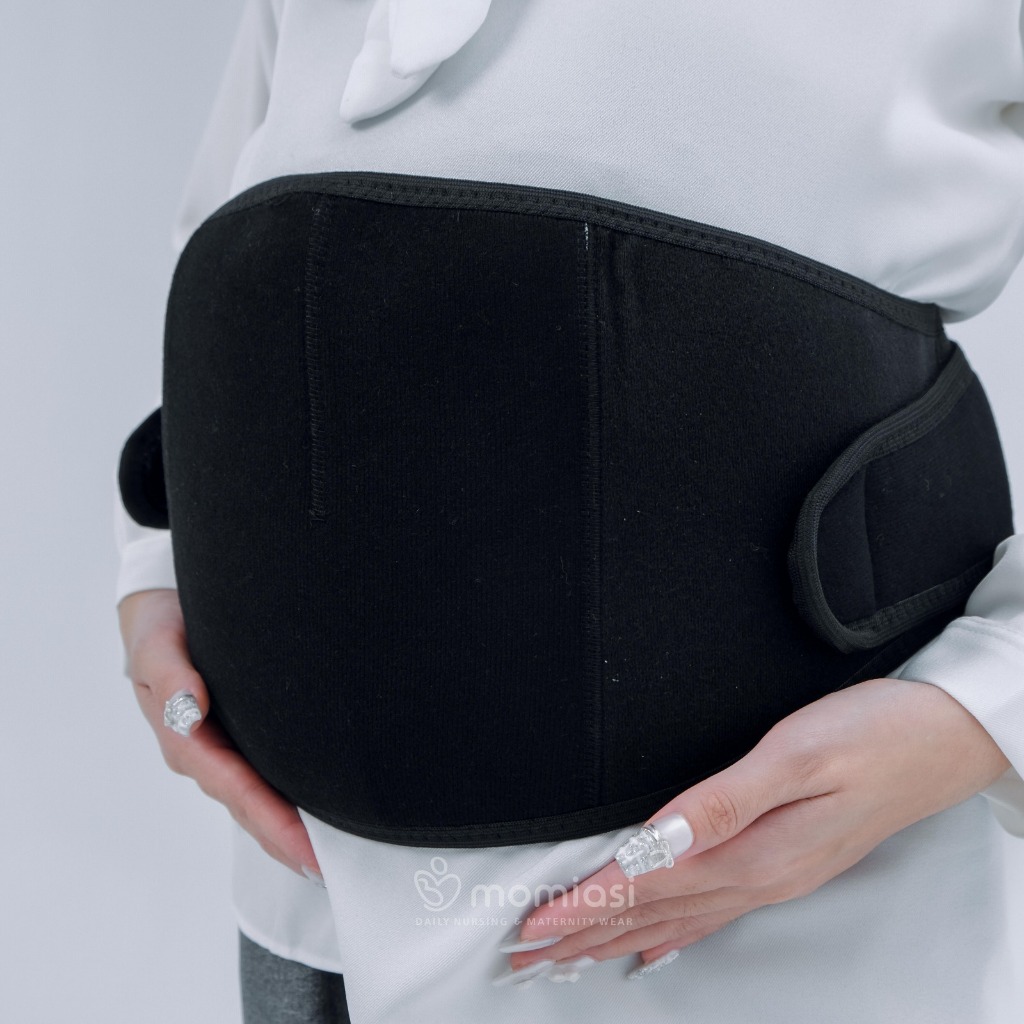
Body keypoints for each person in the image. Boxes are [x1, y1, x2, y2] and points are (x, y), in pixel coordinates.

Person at [115, 1, 1024, 1020]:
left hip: (736, 907)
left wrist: (980, 713)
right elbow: (245, 201)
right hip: (304, 881)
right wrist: (159, 558)